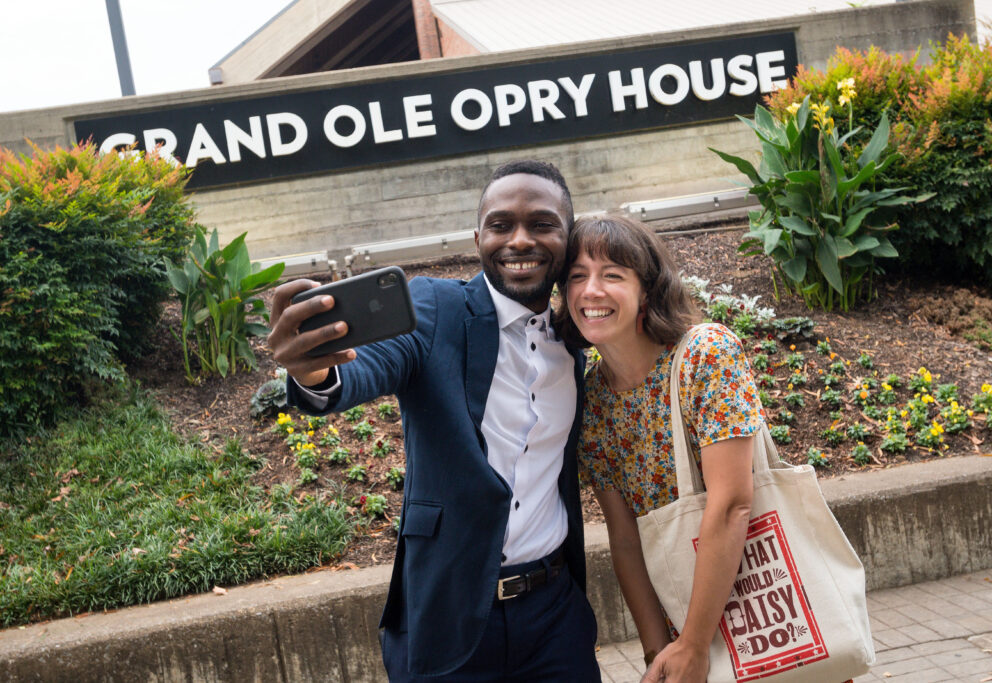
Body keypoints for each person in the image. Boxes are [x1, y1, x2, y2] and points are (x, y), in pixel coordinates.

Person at [267, 160, 600, 681]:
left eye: (541, 224)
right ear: (477, 237)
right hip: (450, 617)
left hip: (555, 615)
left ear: (566, 236)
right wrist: (315, 372)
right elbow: (368, 366)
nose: (519, 240)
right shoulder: (435, 308)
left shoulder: (573, 343)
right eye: (500, 225)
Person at [555, 214, 763, 683]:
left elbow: (733, 504)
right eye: (576, 277)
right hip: (677, 629)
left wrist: (693, 644)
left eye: (612, 275)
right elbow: (625, 539)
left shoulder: (705, 355)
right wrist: (657, 653)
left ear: (646, 289)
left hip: (763, 602)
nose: (591, 291)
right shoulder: (592, 400)